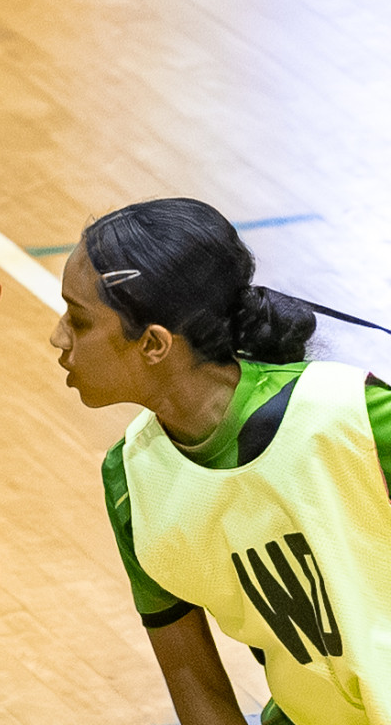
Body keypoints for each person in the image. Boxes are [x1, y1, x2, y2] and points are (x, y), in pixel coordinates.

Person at [50, 197, 391, 725]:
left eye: (78, 320)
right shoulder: (131, 482)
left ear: (154, 344)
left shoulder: (354, 418)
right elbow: (195, 682)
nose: (57, 336)